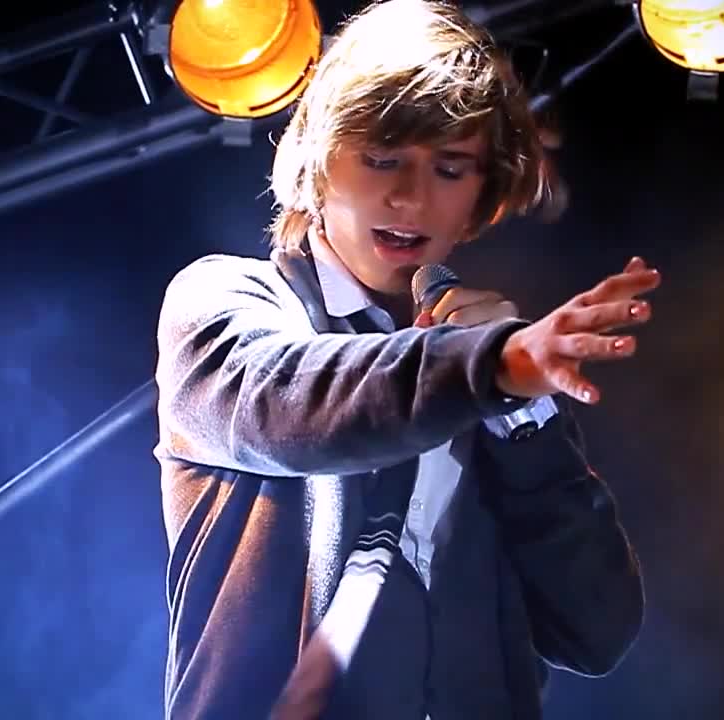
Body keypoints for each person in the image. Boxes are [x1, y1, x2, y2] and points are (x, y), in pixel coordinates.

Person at [153, 1, 659, 718]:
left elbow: (599, 631)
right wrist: (487, 367)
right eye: (382, 159)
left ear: (480, 199)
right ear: (317, 160)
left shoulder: (492, 365)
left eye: (449, 169)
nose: (410, 197)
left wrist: (524, 417)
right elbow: (293, 406)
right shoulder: (227, 301)